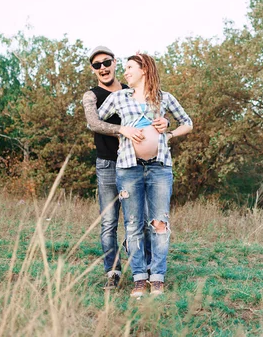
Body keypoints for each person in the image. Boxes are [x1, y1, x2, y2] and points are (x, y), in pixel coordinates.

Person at [98, 53, 192, 297]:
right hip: (128, 167)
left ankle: (157, 277)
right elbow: (96, 121)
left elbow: (188, 123)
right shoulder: (118, 97)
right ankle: (139, 277)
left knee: (159, 223)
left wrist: (169, 132)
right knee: (133, 224)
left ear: (144, 70)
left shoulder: (165, 98)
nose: (125, 72)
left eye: (130, 67)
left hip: (160, 167)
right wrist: (121, 130)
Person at [82, 46, 168, 289]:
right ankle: (113, 271)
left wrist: (165, 122)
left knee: (139, 220)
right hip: (108, 164)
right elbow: (93, 122)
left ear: (114, 63)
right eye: (97, 65)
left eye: (106, 62)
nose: (103, 68)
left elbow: (153, 110)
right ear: (93, 69)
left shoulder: (131, 89)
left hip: (135, 164)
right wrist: (121, 129)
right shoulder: (91, 95)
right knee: (109, 221)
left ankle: (147, 272)